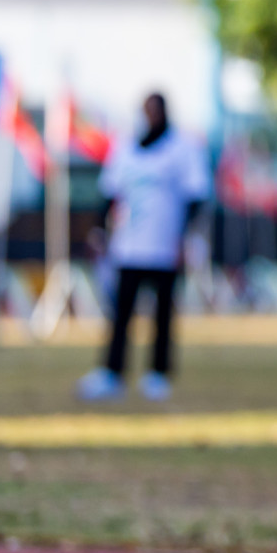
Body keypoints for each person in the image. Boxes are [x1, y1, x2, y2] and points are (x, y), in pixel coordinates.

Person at [77, 93, 209, 402]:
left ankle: (158, 374)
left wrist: (185, 238)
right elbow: (109, 192)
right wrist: (100, 232)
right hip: (129, 246)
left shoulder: (183, 148)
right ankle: (112, 373)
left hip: (165, 248)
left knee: (163, 314)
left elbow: (196, 196)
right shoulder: (125, 148)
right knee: (121, 313)